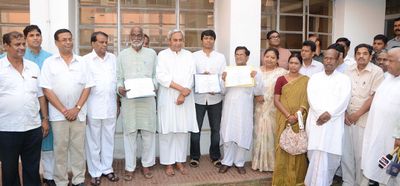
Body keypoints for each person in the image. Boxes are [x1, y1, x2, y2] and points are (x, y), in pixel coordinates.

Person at [40, 29, 93, 186]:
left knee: (78, 149)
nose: (68, 42)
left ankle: (78, 180)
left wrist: (76, 108)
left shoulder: (82, 62)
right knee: (60, 150)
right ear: (56, 42)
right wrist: (64, 110)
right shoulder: (49, 63)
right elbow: (46, 89)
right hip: (58, 115)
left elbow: (88, 87)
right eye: (64, 39)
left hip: (79, 114)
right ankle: (61, 181)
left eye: (70, 39)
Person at [0, 31, 47, 186]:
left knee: (32, 169)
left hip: (32, 127)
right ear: (6, 46)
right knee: (9, 169)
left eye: (23, 44)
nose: (21, 48)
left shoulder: (33, 67)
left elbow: (40, 95)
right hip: (7, 128)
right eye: (17, 44)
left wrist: (45, 119)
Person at [304, 48, 351, 186]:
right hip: (316, 121)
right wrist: (320, 113)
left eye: (332, 58)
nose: (328, 61)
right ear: (323, 59)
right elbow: (311, 97)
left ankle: (326, 182)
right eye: (326, 58)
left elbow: (344, 100)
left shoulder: (344, 79)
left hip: (333, 123)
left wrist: (329, 113)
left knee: (331, 156)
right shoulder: (315, 78)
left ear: (338, 60)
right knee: (314, 152)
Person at [156, 29, 199, 176]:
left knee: (182, 130)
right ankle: (168, 163)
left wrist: (183, 94)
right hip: (168, 97)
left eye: (180, 40)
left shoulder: (189, 55)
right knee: (167, 131)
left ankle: (179, 161)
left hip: (185, 99)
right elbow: (161, 77)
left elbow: (191, 76)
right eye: (175, 40)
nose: (178, 43)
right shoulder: (162, 55)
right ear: (169, 41)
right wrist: (181, 90)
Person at [117, 26, 157, 180]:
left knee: (148, 135)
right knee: (130, 135)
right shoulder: (122, 55)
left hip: (147, 100)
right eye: (133, 34)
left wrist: (153, 85)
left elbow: (156, 75)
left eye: (139, 34)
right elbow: (119, 78)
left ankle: (146, 166)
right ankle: (130, 167)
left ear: (143, 36)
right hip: (129, 102)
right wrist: (119, 88)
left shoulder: (152, 54)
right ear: (129, 37)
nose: (136, 37)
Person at [341, 44, 384, 186]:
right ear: (354, 56)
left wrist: (357, 114)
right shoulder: (348, 70)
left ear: (371, 56)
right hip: (347, 119)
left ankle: (361, 183)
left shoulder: (377, 72)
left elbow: (374, 97)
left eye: (365, 53)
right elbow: (343, 94)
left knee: (361, 155)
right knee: (347, 154)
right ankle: (348, 182)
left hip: (363, 120)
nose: (361, 56)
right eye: (358, 53)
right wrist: (346, 113)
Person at [219, 46, 264, 174]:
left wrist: (255, 78)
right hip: (229, 108)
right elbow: (222, 91)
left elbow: (258, 91)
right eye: (236, 54)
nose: (239, 57)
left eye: (241, 54)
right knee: (228, 134)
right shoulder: (228, 70)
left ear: (247, 57)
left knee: (242, 134)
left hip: (245, 109)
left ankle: (239, 163)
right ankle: (226, 162)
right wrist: (223, 80)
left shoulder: (253, 71)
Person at [361, 47, 400, 186]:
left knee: (392, 174)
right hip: (378, 132)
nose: (386, 63)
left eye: (390, 60)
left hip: (394, 138)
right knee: (376, 165)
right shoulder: (387, 77)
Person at [84, 31, 119, 185]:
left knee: (108, 139)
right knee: (93, 141)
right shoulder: (85, 61)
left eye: (106, 42)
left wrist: (118, 103)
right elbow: (82, 87)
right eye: (101, 42)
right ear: (93, 43)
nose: (104, 45)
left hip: (110, 106)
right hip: (93, 108)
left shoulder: (113, 59)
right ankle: (95, 172)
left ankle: (107, 169)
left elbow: (116, 82)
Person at [22, 24, 55, 186]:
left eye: (38, 35)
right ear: (25, 39)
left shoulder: (50, 58)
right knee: (30, 146)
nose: (35, 38)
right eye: (31, 35)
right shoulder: (20, 56)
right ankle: (34, 177)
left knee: (48, 142)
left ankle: (49, 176)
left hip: (48, 106)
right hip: (26, 108)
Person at [190, 30, 226, 168]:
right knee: (195, 129)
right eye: (206, 38)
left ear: (214, 40)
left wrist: (217, 87)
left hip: (215, 98)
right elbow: (191, 75)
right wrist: (201, 76)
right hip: (198, 98)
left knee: (216, 129)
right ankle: (194, 156)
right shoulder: (194, 56)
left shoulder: (220, 57)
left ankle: (215, 156)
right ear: (201, 40)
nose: (208, 41)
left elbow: (223, 76)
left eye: (211, 38)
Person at [272, 53, 309, 186]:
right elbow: (276, 100)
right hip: (284, 118)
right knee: (282, 147)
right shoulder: (281, 79)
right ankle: (281, 181)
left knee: (298, 147)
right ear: (288, 64)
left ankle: (298, 180)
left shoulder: (306, 80)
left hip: (299, 119)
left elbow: (306, 100)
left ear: (301, 65)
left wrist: (298, 114)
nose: (293, 66)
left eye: (296, 63)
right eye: (291, 63)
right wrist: (289, 116)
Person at [252, 48, 287, 172]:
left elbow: (286, 91)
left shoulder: (282, 72)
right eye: (267, 56)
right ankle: (258, 163)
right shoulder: (255, 71)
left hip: (273, 108)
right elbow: (249, 87)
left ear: (277, 60)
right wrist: (255, 95)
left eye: (273, 57)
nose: (269, 59)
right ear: (263, 57)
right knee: (258, 133)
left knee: (272, 135)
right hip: (259, 108)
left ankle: (272, 164)